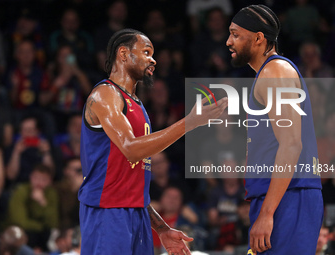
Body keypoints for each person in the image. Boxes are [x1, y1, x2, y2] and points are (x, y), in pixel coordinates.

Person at [78, 28, 227, 255]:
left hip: (136, 213)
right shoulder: (105, 95)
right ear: (124, 54)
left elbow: (132, 182)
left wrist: (161, 228)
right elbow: (130, 149)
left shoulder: (137, 104)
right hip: (107, 211)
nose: (153, 59)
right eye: (147, 52)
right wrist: (189, 123)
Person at [226, 5, 323, 255]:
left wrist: (267, 213)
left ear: (259, 38)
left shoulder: (275, 71)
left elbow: (291, 144)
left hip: (289, 197)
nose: (229, 41)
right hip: (281, 196)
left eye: (236, 34)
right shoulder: (267, 74)